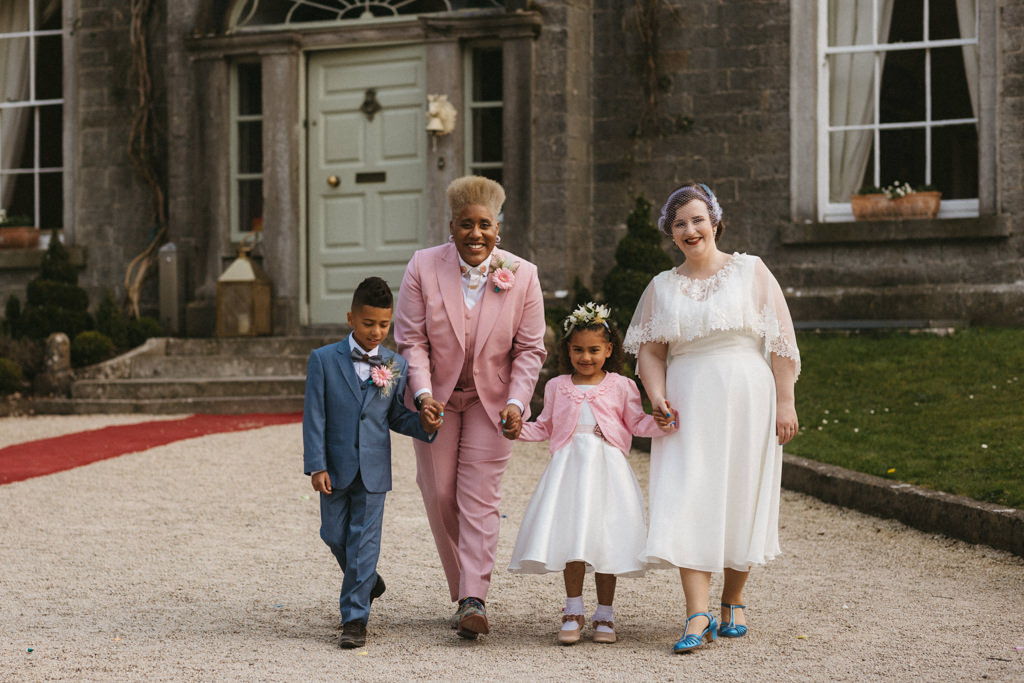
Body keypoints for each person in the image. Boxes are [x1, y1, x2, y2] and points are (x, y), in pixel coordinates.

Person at [624, 183, 800, 654]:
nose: (690, 230)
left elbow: (781, 341)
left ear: (715, 222)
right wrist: (657, 397)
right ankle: (696, 613)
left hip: (748, 395)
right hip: (687, 403)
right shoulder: (662, 287)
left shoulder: (751, 271)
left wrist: (786, 401)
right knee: (688, 496)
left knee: (742, 491)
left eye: (698, 219)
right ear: (670, 233)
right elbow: (650, 354)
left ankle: (734, 598)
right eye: (680, 223)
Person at [394, 175, 547, 639]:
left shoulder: (522, 273)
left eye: (485, 225)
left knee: (479, 498)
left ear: (498, 228)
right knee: (441, 495)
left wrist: (518, 402)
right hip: (435, 401)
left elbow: (530, 349)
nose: (475, 234)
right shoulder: (422, 266)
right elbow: (411, 340)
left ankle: (473, 598)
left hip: (492, 403)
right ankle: (463, 589)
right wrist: (422, 394)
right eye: (466, 225)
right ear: (451, 227)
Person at [505, 303, 676, 645]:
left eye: (594, 350)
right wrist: (517, 430)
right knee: (574, 538)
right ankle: (572, 609)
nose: (586, 357)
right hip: (569, 470)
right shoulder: (556, 386)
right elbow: (545, 427)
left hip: (607, 468)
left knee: (605, 538)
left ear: (609, 349)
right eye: (578, 349)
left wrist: (661, 423)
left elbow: (635, 422)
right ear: (567, 350)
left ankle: (605, 614)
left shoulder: (622, 386)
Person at [302, 276, 441, 649]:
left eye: (384, 324)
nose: (376, 332)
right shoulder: (323, 360)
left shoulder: (395, 364)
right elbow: (314, 416)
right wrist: (316, 465)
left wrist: (425, 423)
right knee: (333, 534)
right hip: (334, 466)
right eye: (368, 324)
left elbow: (396, 416)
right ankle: (369, 580)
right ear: (351, 318)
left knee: (364, 541)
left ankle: (354, 619)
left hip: (375, 470)